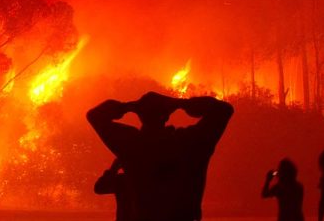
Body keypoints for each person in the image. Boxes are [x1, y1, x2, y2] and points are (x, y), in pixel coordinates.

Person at [87, 92, 234, 221]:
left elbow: (95, 115)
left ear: (140, 115)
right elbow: (223, 110)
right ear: (167, 114)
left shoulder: (132, 146)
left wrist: (127, 107)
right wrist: (179, 103)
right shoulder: (191, 142)